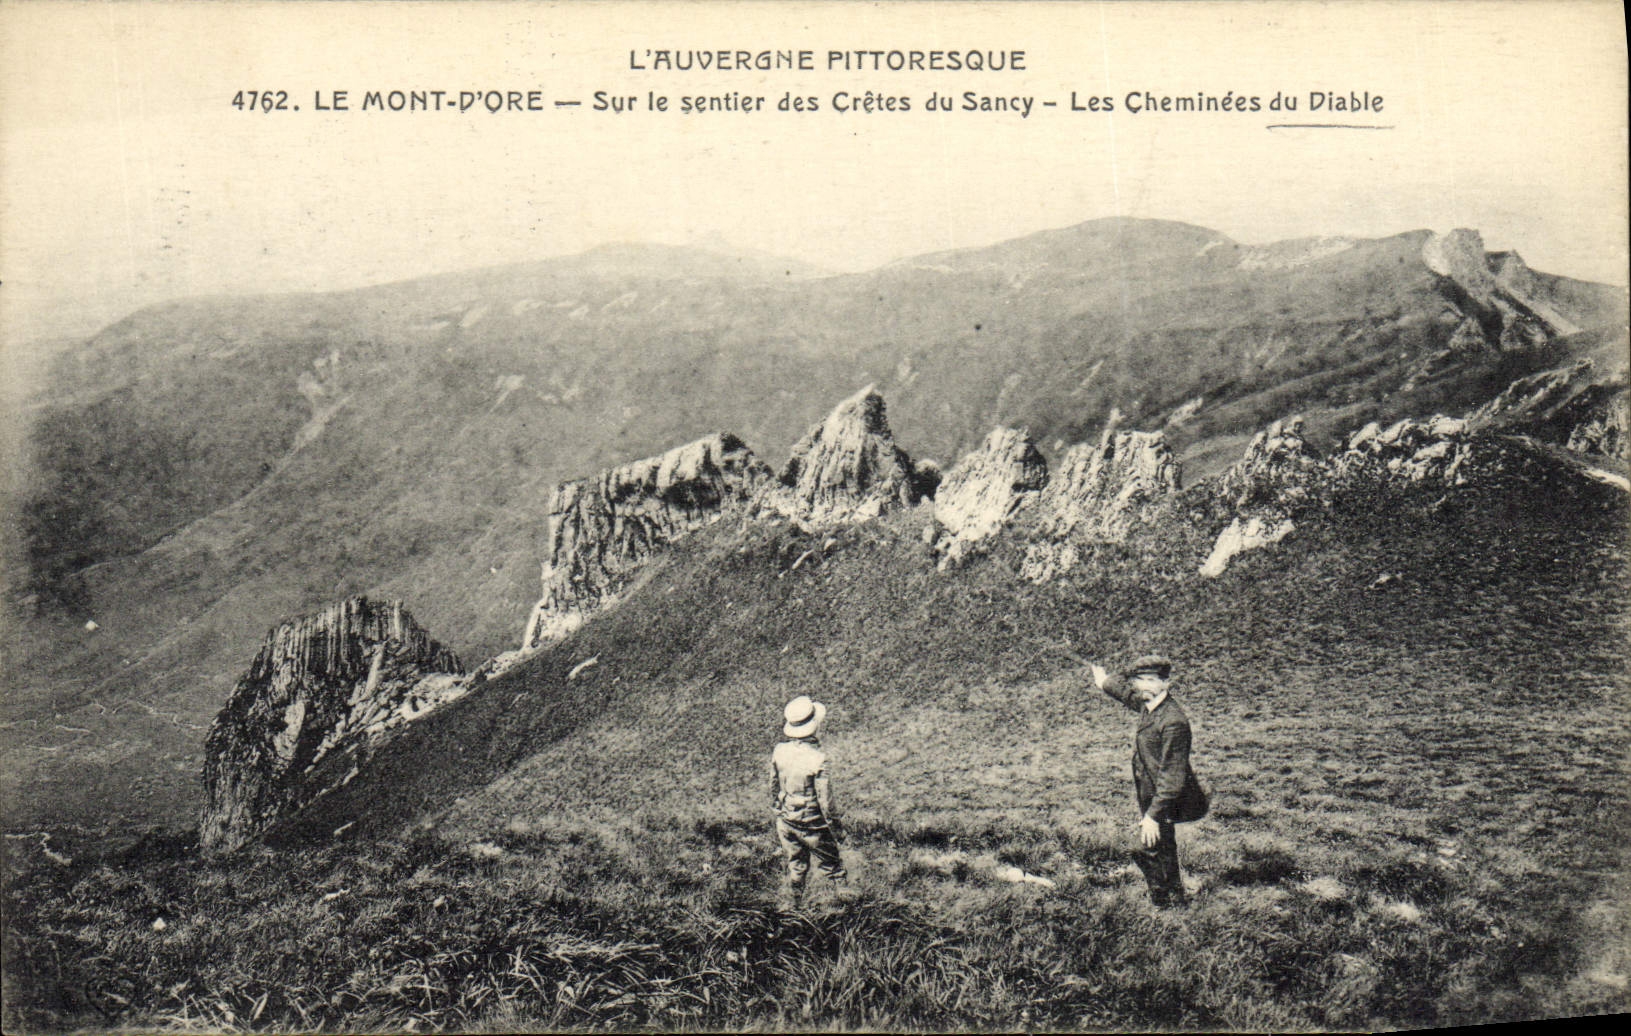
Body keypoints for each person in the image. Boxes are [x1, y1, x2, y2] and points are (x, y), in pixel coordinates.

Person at [1089, 654, 1209, 908]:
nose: (1143, 685)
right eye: (1139, 680)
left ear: (1166, 683)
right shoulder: (1150, 705)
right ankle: (1174, 897)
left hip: (1166, 795)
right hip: (1151, 789)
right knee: (1162, 844)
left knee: (1146, 847)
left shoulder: (1173, 722)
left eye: (1150, 680)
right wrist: (1103, 678)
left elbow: (1172, 776)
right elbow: (1123, 690)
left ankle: (1163, 903)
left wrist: (1153, 815)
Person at [771, 695, 847, 908]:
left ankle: (795, 909)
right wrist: (836, 829)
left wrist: (780, 811)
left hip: (786, 821)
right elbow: (826, 804)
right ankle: (847, 911)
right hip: (812, 824)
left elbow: (773, 785)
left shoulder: (779, 750)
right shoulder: (818, 758)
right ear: (814, 726)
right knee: (833, 867)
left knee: (796, 865)